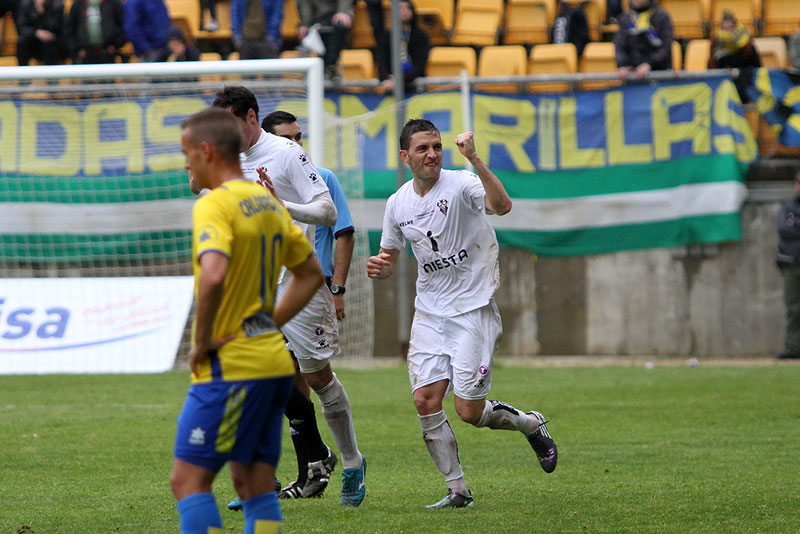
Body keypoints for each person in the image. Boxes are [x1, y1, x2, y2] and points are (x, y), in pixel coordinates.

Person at [366, 119, 558, 508]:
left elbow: (502, 206)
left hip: (473, 309)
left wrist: (475, 159)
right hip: (430, 312)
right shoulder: (397, 203)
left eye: (436, 146)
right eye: (422, 148)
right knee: (424, 400)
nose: (432, 154)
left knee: (468, 410)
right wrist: (383, 267)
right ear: (405, 157)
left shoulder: (462, 182)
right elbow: (391, 255)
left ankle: (530, 424)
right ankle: (458, 491)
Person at [170, 107, 324, 534]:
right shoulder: (267, 203)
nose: (185, 164)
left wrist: (202, 341)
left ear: (205, 151)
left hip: (232, 365)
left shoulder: (215, 205)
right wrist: (267, 322)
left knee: (187, 481)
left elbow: (214, 274)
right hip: (273, 362)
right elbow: (311, 273)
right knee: (253, 485)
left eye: (186, 154)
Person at [213, 86, 367, 508]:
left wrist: (284, 207)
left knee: (316, 377)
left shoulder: (286, 154)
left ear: (249, 117)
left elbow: (328, 212)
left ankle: (350, 460)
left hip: (294, 281)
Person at [260, 109, 356, 499]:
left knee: (312, 378)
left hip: (311, 293)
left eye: (299, 137)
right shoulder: (257, 179)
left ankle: (336, 459)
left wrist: (337, 288)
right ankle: (310, 469)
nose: (296, 145)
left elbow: (344, 232)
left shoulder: (323, 179)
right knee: (283, 383)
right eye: (288, 138)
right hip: (273, 292)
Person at [377, 0, 431, 94]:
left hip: (415, 86)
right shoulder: (387, 36)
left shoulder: (421, 36)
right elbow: (382, 61)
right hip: (391, 86)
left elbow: (420, 64)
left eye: (407, 8)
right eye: (400, 8)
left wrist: (400, 80)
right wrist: (385, 78)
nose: (404, 11)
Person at [614, 0, 674, 80]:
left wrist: (649, 64)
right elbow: (619, 45)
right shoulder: (625, 18)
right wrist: (622, 65)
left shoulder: (662, 17)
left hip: (659, 75)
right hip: (633, 76)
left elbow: (666, 48)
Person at [297, 0, 354, 80]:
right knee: (306, 31)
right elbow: (305, 3)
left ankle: (330, 66)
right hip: (317, 19)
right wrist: (305, 23)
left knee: (340, 24)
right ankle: (325, 70)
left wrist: (342, 12)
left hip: (337, 16)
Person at [776, 171, 800, 360]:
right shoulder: (788, 206)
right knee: (794, 308)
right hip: (792, 264)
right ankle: (794, 349)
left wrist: (796, 224)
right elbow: (784, 228)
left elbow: (792, 227)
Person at [64, 0, 125, 64]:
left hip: (108, 53)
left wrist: (116, 45)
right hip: (85, 55)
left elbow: (122, 25)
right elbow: (69, 29)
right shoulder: (78, 4)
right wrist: (77, 49)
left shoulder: (113, 3)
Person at [15, 0, 63, 66]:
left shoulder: (57, 5)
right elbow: (22, 28)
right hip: (32, 41)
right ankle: (22, 72)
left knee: (49, 40)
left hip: (52, 42)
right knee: (22, 41)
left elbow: (55, 27)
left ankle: (53, 74)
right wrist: (36, 33)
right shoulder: (25, 4)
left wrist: (42, 13)